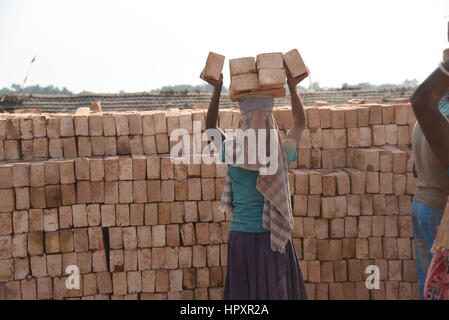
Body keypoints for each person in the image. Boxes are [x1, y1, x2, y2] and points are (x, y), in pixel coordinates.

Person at [200, 66, 308, 300]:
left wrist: (217, 89)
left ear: (243, 124)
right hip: (273, 238)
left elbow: (210, 126)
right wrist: (292, 85)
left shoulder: (231, 151)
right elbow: (300, 123)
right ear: (271, 123)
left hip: (242, 239)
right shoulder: (279, 153)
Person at [410, 50, 449, 299]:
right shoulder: (442, 117)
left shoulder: (426, 118)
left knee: (429, 284)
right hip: (439, 209)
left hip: (420, 204)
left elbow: (415, 166)